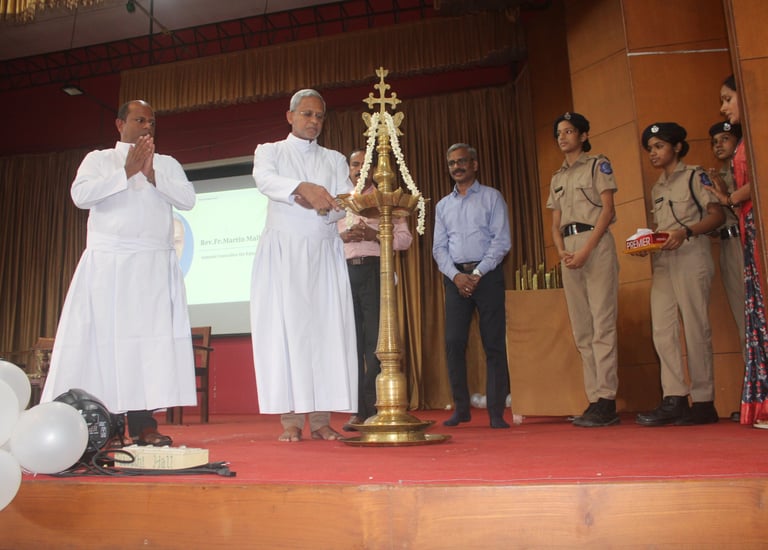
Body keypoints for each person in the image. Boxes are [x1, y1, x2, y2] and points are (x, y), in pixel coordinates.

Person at [40, 99, 197, 446]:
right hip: (109, 266)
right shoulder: (98, 160)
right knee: (106, 346)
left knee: (148, 348)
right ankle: (107, 427)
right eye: (140, 120)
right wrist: (126, 171)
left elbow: (188, 200)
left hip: (153, 268)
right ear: (119, 124)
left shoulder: (166, 163)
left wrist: (151, 174)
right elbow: (80, 196)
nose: (147, 127)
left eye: (151, 122)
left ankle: (144, 425)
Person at [250, 88, 357, 442]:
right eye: (307, 114)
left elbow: (345, 202)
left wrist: (326, 205)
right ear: (290, 116)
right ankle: (291, 422)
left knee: (325, 333)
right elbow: (265, 180)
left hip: (323, 252)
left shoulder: (334, 159)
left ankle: (322, 420)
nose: (314, 121)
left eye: (319, 116)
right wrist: (302, 188)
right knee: (289, 332)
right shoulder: (270, 151)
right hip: (284, 253)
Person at [635, 122, 725, 427]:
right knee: (662, 328)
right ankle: (674, 397)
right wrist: (647, 244)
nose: (653, 153)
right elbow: (662, 228)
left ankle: (703, 401)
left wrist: (685, 232)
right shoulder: (657, 187)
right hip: (664, 260)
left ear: (676, 147)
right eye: (650, 148)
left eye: (659, 146)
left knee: (696, 327)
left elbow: (717, 215)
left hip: (691, 253)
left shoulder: (694, 176)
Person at [546, 112, 620, 428]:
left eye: (569, 131)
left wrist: (586, 249)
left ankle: (607, 398)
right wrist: (561, 250)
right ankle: (594, 398)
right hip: (570, 248)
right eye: (559, 133)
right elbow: (555, 223)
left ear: (584, 135)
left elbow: (608, 209)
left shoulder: (597, 165)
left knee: (602, 322)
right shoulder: (557, 177)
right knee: (582, 328)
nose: (563, 137)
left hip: (595, 243)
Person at [433, 143, 512, 429]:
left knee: (493, 343)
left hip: (487, 276)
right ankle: (462, 409)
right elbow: (439, 248)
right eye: (452, 163)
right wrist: (456, 276)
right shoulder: (443, 206)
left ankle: (496, 412)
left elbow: (501, 241)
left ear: (474, 164)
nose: (457, 167)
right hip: (455, 278)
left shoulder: (492, 197)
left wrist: (477, 273)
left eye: (462, 161)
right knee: (454, 343)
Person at [707, 75, 768, 428]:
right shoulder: (746, 139)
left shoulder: (758, 135)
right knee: (756, 316)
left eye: (728, 98)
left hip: (758, 230)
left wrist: (729, 197)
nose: (723, 107)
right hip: (749, 231)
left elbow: (759, 179)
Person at [338, 149, 413, 431]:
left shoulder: (385, 199)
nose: (359, 169)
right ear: (348, 168)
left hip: (375, 272)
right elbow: (322, 237)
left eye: (365, 165)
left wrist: (376, 234)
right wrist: (342, 236)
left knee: (375, 344)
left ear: (372, 170)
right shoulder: (339, 200)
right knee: (351, 344)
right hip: (343, 273)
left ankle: (374, 406)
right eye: (355, 164)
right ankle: (357, 410)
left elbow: (405, 240)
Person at [707, 121, 746, 398]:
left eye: (725, 138)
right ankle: (757, 393)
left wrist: (726, 196)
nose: (718, 145)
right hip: (727, 243)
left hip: (748, 241)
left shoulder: (747, 170)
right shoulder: (716, 177)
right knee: (744, 322)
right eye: (715, 141)